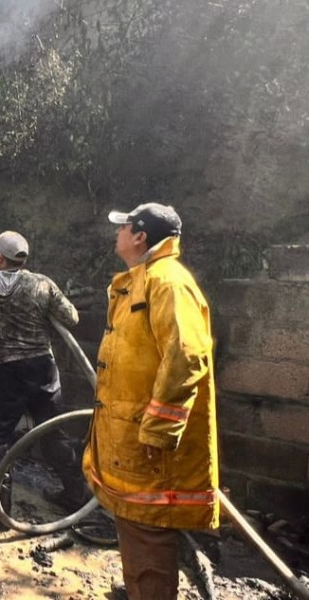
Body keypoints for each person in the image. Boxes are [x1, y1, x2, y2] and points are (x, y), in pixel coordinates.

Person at [82, 203, 220, 599]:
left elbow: (187, 355)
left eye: (123, 226)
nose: (117, 233)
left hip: (149, 446)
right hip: (131, 439)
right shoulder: (143, 279)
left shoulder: (168, 282)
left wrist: (158, 429)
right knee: (135, 522)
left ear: (140, 235)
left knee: (147, 530)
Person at [0, 230, 91, 530]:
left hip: (5, 373)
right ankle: (76, 494)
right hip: (43, 370)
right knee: (53, 432)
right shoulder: (42, 284)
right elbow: (71, 318)